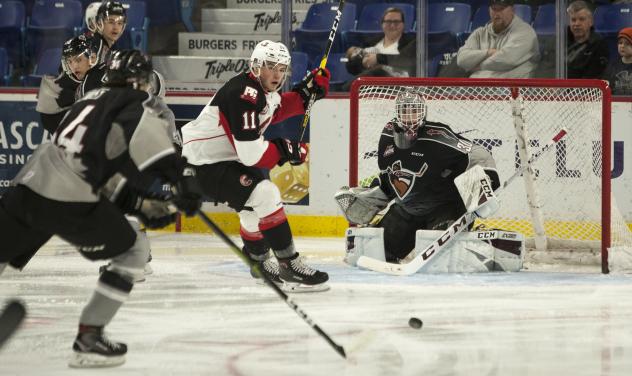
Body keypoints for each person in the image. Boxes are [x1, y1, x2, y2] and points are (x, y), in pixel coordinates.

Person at [0, 50, 203, 368]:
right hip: (72, 200)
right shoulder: (136, 106)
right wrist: (186, 182)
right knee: (134, 250)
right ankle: (89, 337)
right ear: (141, 81)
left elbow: (88, 165)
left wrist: (136, 203)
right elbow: (165, 161)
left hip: (30, 183)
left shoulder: (88, 99)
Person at [180, 40, 331, 292]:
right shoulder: (243, 94)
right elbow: (251, 154)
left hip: (220, 159)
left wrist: (306, 93)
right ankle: (289, 264)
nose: (277, 74)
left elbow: (275, 110)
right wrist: (287, 149)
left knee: (252, 209)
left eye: (282, 68)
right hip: (202, 164)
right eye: (270, 66)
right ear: (256, 66)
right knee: (266, 194)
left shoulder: (258, 89)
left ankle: (259, 262)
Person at [336, 89, 500, 263]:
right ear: (397, 113)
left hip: (444, 207)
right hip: (407, 209)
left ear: (423, 112)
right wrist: (373, 196)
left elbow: (479, 153)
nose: (409, 116)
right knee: (374, 255)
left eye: (414, 110)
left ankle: (477, 242)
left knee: (443, 260)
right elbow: (390, 177)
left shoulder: (437, 136)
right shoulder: (387, 136)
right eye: (405, 110)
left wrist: (487, 181)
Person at [36, 34, 100, 133]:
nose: (74, 66)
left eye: (78, 60)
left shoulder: (105, 76)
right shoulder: (61, 86)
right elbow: (50, 123)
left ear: (93, 58)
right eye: (70, 62)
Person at [456, 0, 539, 78]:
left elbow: (507, 59)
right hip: (476, 88)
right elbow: (461, 59)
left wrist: (475, 65)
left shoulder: (525, 32)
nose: (497, 14)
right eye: (494, 9)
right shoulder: (479, 33)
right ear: (489, 10)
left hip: (512, 89)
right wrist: (488, 52)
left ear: (512, 10)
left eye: (501, 9)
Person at [343, 7, 416, 88]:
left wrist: (378, 58)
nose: (392, 25)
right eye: (388, 22)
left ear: (403, 25)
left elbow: (405, 59)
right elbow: (351, 68)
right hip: (371, 88)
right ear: (382, 24)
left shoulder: (412, 42)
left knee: (379, 70)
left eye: (396, 22)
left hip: (400, 87)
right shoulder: (370, 43)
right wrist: (362, 62)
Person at [80, 1, 128, 96]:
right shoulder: (95, 45)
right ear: (99, 22)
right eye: (111, 22)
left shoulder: (109, 46)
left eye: (120, 23)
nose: (116, 27)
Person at [566, 0, 609, 79]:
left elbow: (593, 79)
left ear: (591, 22)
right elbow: (549, 67)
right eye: (573, 20)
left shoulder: (599, 45)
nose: (577, 24)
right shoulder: (560, 41)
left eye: (581, 19)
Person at [602, 27, 632, 95]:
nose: (622, 46)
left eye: (627, 43)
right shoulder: (612, 66)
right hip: (615, 103)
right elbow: (605, 89)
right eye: (620, 43)